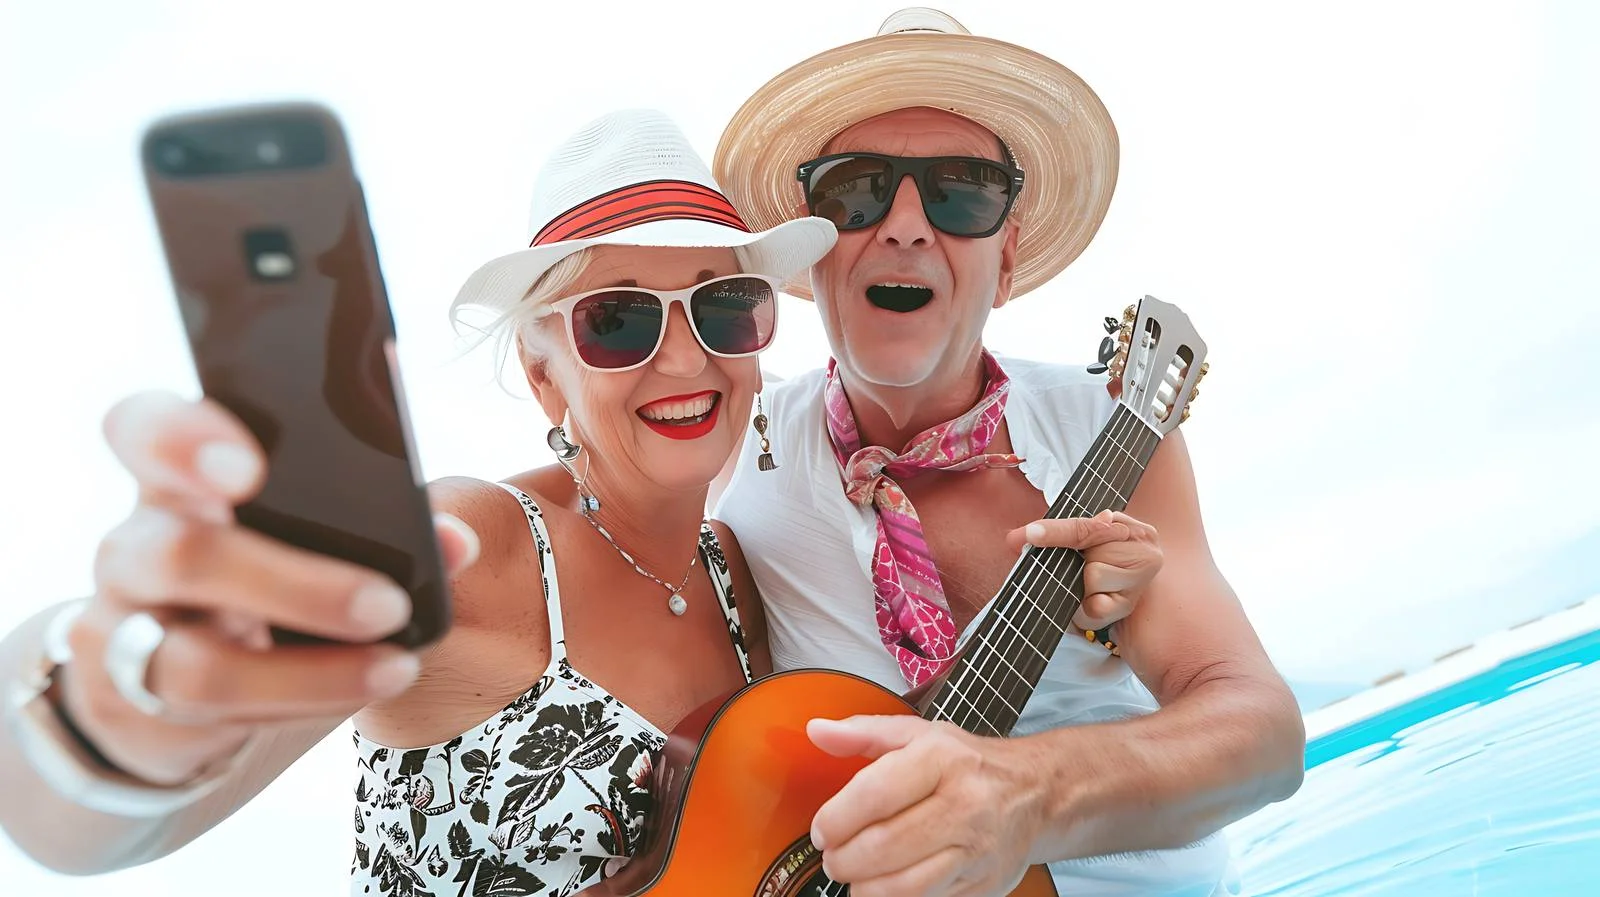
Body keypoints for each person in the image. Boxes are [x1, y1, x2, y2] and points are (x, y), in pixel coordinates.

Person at [0, 108, 1162, 894]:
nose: (683, 359)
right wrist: (115, 709)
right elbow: (94, 829)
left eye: (722, 309)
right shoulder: (478, 547)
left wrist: (1077, 604)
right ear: (543, 369)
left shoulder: (738, 572)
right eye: (617, 319)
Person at [708, 8, 1306, 897]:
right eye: (856, 189)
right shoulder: (743, 463)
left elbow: (1260, 732)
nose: (906, 225)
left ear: (1009, 256)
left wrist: (1030, 797)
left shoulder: (1107, 430)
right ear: (815, 249)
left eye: (961, 191)